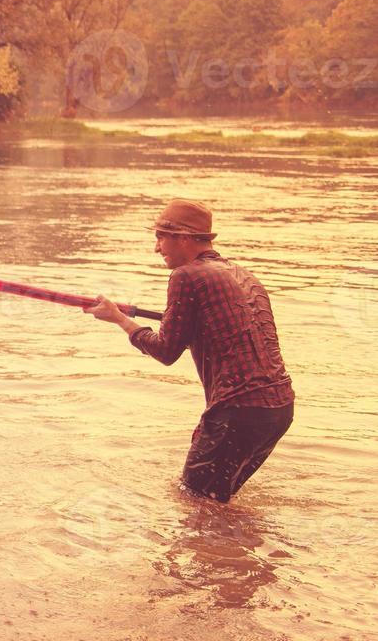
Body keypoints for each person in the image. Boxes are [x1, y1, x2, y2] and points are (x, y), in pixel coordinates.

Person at [84, 198, 296, 502]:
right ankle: (240, 545)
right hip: (279, 409)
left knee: (193, 501)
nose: (157, 247)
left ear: (184, 238)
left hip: (237, 411)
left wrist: (119, 319)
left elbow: (165, 351)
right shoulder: (244, 275)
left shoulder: (186, 276)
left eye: (160, 236)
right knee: (216, 504)